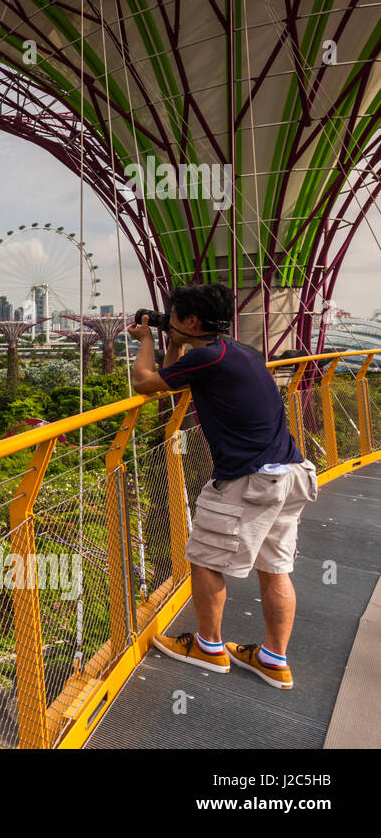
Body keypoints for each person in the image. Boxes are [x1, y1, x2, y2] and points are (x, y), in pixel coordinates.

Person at [127, 283, 317, 690]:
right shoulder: (240, 353)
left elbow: (145, 382)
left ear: (192, 321)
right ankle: (273, 659)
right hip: (291, 473)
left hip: (248, 480)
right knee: (276, 568)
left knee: (206, 559)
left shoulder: (209, 359)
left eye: (173, 316)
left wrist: (145, 339)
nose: (169, 321)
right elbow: (172, 378)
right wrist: (172, 340)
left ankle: (209, 647)